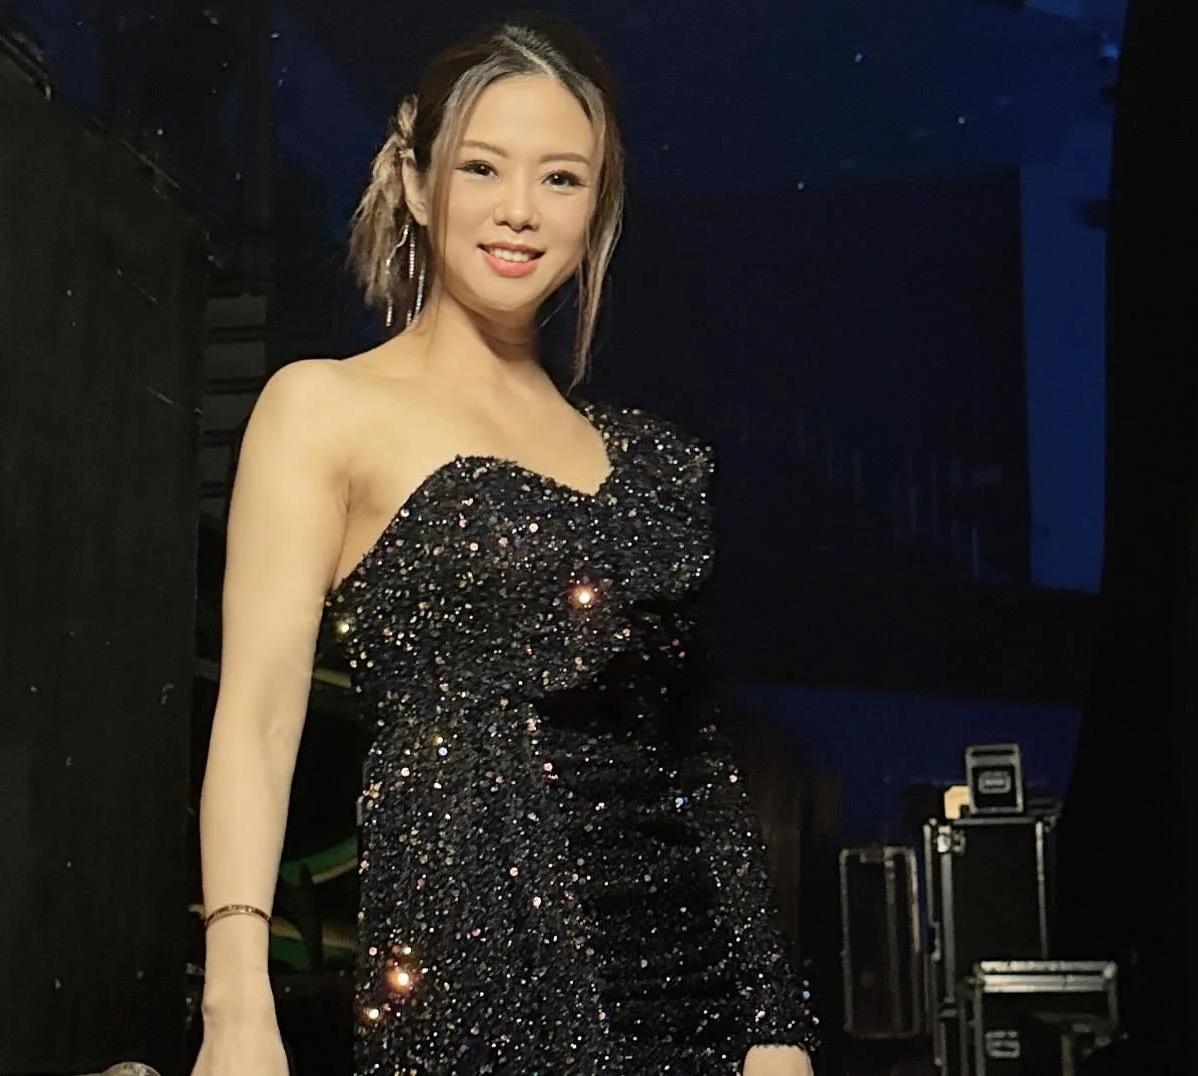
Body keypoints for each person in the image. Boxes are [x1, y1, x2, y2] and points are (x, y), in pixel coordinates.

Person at [190, 14, 817, 1076]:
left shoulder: (651, 462)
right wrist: (236, 1003)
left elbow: (696, 763)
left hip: (690, 988)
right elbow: (255, 721)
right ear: (416, 177)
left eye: (561, 179)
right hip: (475, 967)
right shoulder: (323, 409)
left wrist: (776, 1023)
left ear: (596, 207)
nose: (520, 209)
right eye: (483, 166)